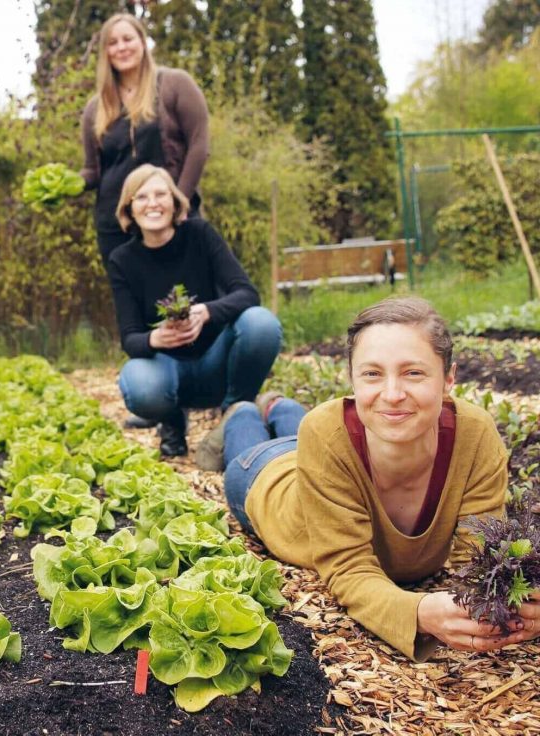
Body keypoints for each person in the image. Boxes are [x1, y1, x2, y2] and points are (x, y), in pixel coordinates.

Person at [221, 296, 540, 661]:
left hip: (330, 452)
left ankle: (280, 407)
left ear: (449, 378)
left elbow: (478, 554)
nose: (392, 394)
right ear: (352, 380)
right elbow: (348, 568)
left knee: (308, 431)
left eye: (414, 373)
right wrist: (417, 613)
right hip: (265, 476)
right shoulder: (324, 434)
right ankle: (242, 412)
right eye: (372, 374)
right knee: (253, 433)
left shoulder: (475, 434)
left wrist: (519, 603)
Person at [108, 165, 281, 459]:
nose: (153, 203)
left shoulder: (199, 235)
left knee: (261, 323)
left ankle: (233, 414)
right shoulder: (122, 260)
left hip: (216, 361)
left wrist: (207, 312)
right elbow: (130, 338)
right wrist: (155, 339)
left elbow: (247, 293)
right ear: (130, 208)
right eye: (142, 197)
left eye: (161, 194)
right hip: (168, 370)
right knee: (137, 382)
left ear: (175, 202)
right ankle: (172, 420)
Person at [80, 13, 210, 268]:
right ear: (105, 52)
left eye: (128, 39)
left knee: (186, 301)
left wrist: (180, 202)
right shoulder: (96, 108)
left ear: (142, 41)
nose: (122, 47)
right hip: (117, 226)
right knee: (134, 305)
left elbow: (199, 145)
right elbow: (93, 171)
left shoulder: (174, 84)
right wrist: (65, 183)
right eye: (113, 43)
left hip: (172, 217)